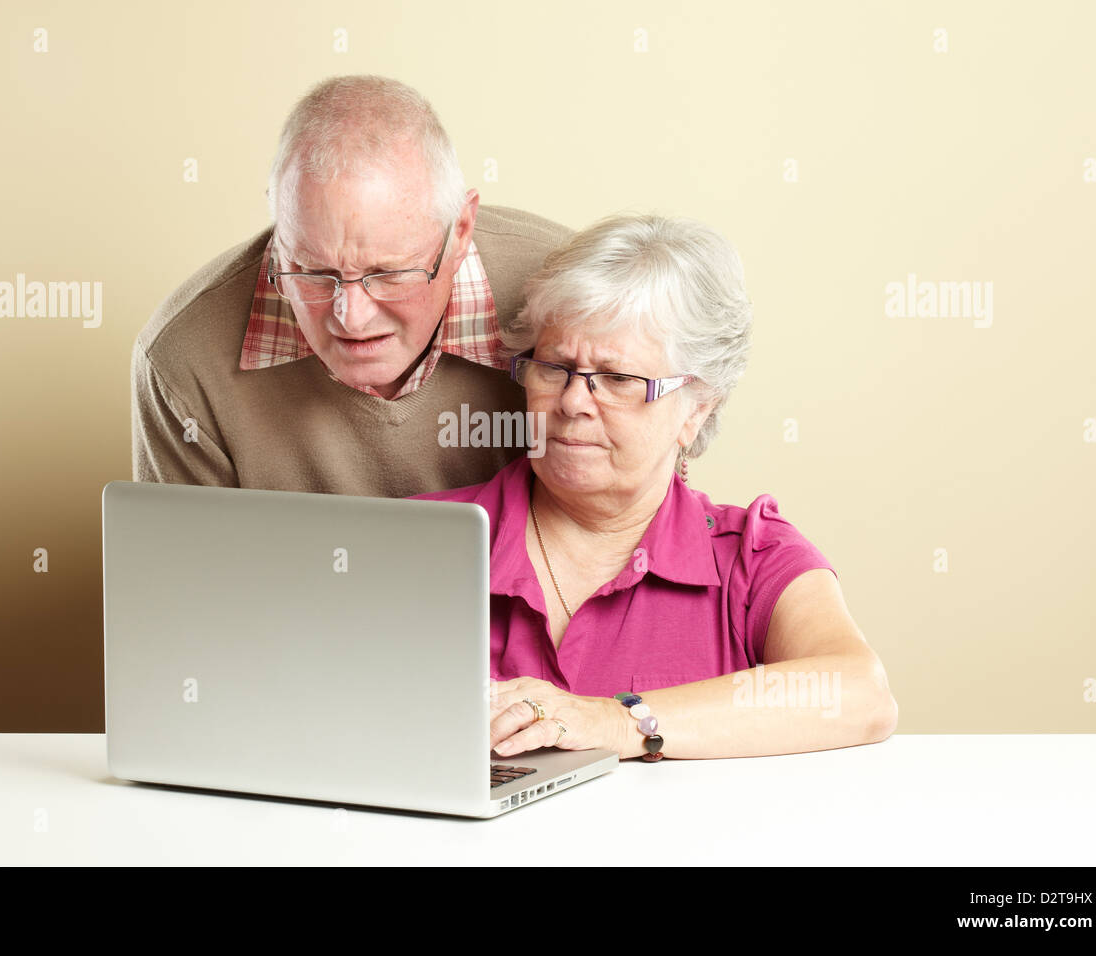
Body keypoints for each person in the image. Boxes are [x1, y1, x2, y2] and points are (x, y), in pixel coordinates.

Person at [413, 214, 898, 760]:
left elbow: (861, 693)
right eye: (554, 368)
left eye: (618, 379)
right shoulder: (422, 538)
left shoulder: (750, 556)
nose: (573, 402)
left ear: (696, 408)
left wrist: (616, 723)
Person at [131, 75, 570, 496]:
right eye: (314, 272)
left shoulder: (571, 297)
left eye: (389, 274)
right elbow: (187, 568)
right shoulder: (181, 357)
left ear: (460, 229)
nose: (351, 317)